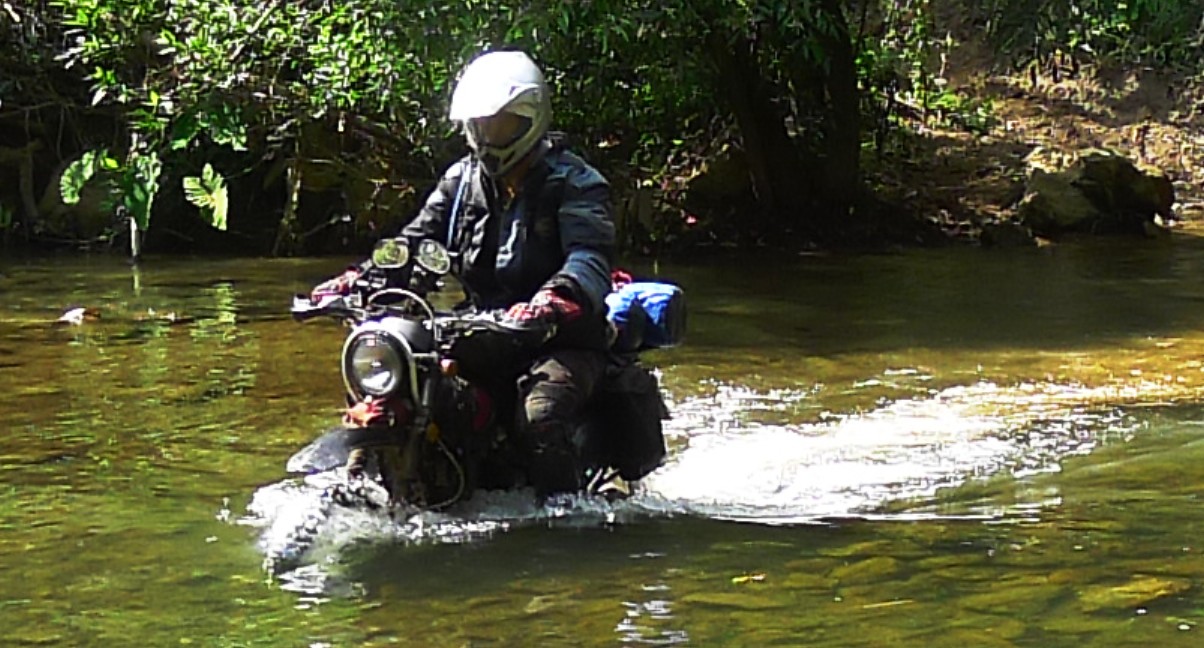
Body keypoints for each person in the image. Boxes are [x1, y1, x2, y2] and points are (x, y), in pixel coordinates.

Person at [312, 49, 616, 496]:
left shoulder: (576, 182)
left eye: (501, 126)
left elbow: (590, 256)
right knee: (404, 381)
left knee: (540, 414)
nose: (489, 138)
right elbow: (414, 240)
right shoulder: (461, 181)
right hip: (482, 329)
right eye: (480, 127)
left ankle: (565, 517)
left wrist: (553, 301)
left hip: (559, 339)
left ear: (531, 119)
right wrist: (358, 279)